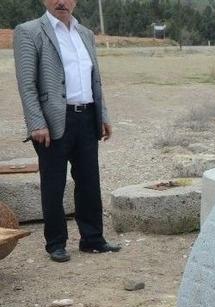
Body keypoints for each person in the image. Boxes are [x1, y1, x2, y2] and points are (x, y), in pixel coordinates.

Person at [13, 0, 121, 263]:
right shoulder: (29, 32)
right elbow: (26, 84)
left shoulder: (85, 34)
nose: (62, 1)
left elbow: (95, 78)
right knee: (54, 185)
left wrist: (103, 115)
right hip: (51, 123)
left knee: (89, 182)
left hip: (86, 117)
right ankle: (56, 243)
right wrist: (36, 123)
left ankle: (93, 239)